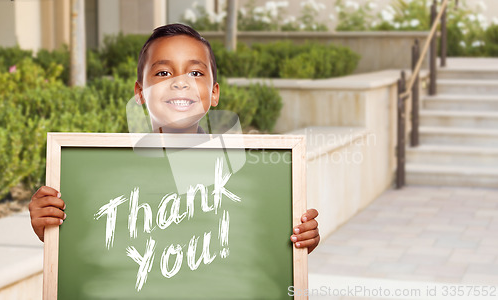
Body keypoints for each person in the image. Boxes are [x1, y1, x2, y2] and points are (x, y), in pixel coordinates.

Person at [29, 23, 320, 253]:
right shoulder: (102, 170)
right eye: (163, 72)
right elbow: (91, 245)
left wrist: (299, 240)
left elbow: (261, 242)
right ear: (140, 93)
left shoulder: (246, 169)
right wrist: (50, 228)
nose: (180, 82)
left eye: (195, 72)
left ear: (214, 93)